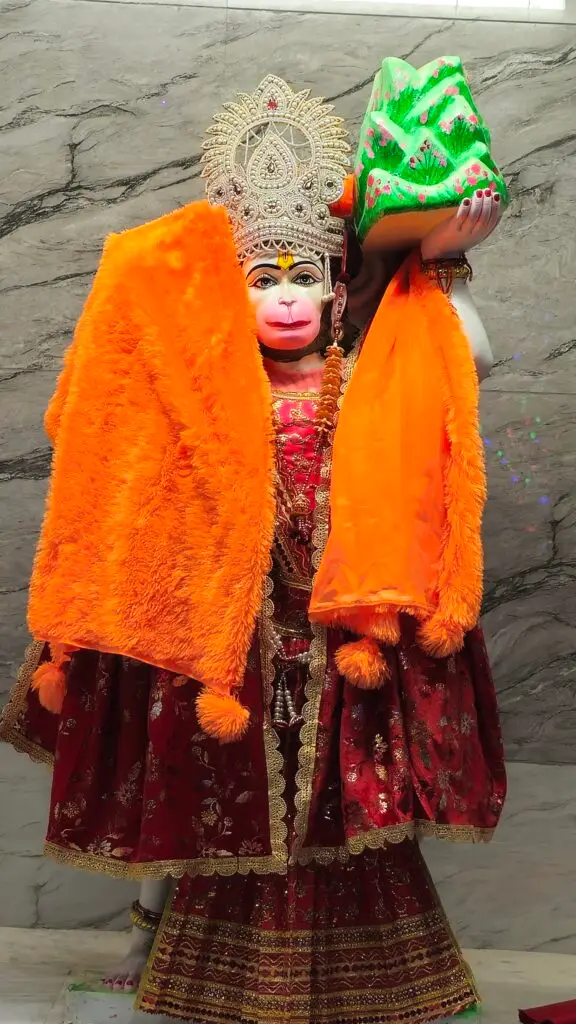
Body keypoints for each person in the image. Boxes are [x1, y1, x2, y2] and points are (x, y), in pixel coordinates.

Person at [1, 69, 506, 1022]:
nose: (284, 300)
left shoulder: (370, 369)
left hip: (343, 627)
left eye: (304, 277)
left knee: (352, 802)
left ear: (336, 287)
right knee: (192, 789)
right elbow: (113, 463)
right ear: (230, 293)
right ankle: (153, 948)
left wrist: (438, 262)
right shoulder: (195, 386)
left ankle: (372, 976)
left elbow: (465, 356)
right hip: (225, 631)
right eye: (261, 280)